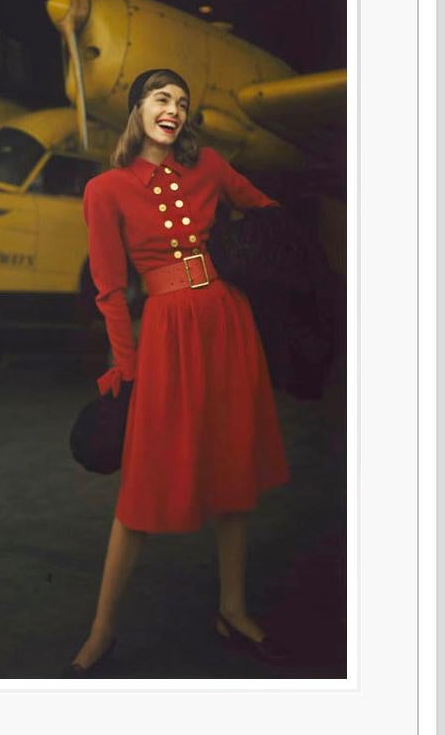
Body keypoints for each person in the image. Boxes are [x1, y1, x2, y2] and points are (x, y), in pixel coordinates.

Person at [65, 68, 290, 677]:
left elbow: (269, 213)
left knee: (233, 463)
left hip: (226, 322)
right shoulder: (107, 189)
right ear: (137, 109)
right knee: (141, 485)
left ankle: (233, 608)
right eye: (161, 98)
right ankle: (102, 631)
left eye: (183, 102)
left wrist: (245, 252)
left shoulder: (210, 167)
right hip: (166, 336)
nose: (174, 108)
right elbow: (111, 289)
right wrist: (126, 367)